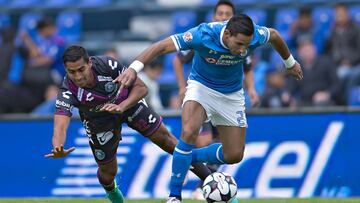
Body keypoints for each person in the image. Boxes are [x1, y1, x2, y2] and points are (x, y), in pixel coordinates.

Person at [115, 14, 303, 203]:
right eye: (239, 44)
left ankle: (186, 159)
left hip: (231, 95)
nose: (243, 50)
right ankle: (174, 196)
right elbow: (161, 46)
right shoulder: (202, 35)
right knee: (188, 133)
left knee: (234, 154)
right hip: (201, 87)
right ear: (227, 33)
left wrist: (290, 63)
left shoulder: (255, 35)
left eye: (246, 45)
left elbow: (275, 35)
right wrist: (132, 69)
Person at [44, 45, 212, 203]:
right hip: (98, 122)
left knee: (169, 142)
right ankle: (112, 192)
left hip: (128, 104)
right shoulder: (67, 90)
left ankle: (212, 180)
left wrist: (121, 106)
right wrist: (58, 146)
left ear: (90, 63)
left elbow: (141, 88)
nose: (78, 76)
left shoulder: (107, 65)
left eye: (81, 69)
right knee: (108, 174)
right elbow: (60, 123)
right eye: (72, 72)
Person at [172, 1, 256, 200]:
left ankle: (193, 170)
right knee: (200, 137)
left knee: (227, 148)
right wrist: (182, 87)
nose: (222, 16)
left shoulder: (240, 43)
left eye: (227, 13)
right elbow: (178, 59)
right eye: (220, 13)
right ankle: (192, 185)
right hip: (203, 94)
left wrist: (252, 89)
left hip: (227, 98)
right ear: (214, 15)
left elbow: (248, 68)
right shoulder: (204, 38)